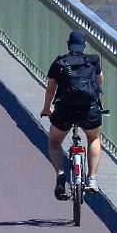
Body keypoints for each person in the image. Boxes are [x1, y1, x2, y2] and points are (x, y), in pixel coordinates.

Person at [41, 30, 105, 200]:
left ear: (68, 44)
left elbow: (51, 89)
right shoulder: (93, 61)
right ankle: (91, 179)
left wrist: (47, 108)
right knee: (93, 138)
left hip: (64, 110)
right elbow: (99, 84)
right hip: (88, 110)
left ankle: (61, 174)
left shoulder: (59, 63)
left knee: (54, 142)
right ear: (84, 45)